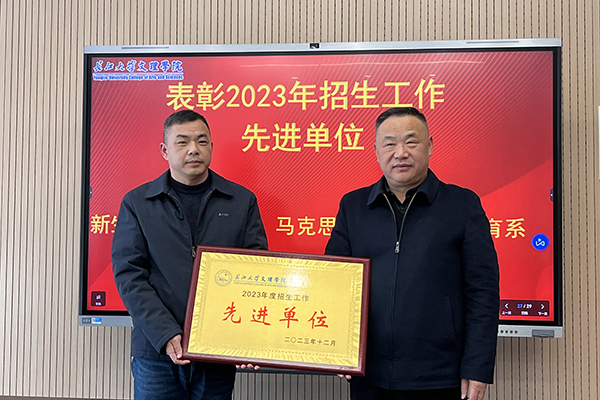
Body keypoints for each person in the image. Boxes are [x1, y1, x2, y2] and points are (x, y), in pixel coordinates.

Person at [325, 107, 499, 400]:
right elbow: (334, 283)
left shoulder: (462, 205)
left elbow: (483, 292)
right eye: (390, 143)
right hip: (368, 374)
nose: (401, 153)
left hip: (438, 375)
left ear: (429, 145)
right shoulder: (353, 206)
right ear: (376, 151)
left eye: (411, 141)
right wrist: (337, 348)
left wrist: (477, 366)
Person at [112, 109, 268, 400]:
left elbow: (256, 271)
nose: (194, 149)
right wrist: (165, 333)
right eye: (182, 142)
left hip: (218, 350)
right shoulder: (138, 202)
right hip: (157, 352)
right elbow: (130, 275)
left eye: (202, 141)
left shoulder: (241, 201)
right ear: (165, 150)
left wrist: (248, 336)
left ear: (211, 147)